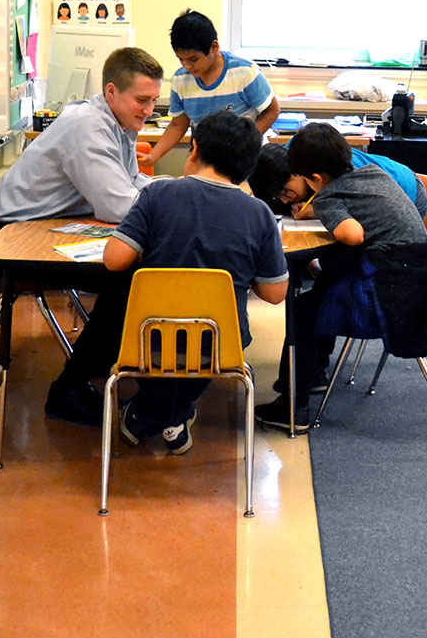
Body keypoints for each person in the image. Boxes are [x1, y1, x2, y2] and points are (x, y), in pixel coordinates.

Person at [46, 111, 289, 452]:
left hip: (149, 338)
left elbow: (115, 260)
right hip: (219, 344)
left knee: (161, 343)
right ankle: (168, 414)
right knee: (199, 347)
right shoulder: (259, 213)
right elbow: (275, 293)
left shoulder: (158, 194)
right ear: (249, 167)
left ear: (194, 151)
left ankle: (149, 415)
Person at [253, 123, 427, 430]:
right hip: (421, 286)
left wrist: (328, 221)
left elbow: (354, 235)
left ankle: (293, 407)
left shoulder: (327, 198)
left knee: (302, 312)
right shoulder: (373, 173)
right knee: (323, 286)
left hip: (389, 300)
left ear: (315, 179)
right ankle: (315, 372)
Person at [0, 47, 163, 234]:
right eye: (142, 100)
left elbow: (131, 180)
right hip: (14, 231)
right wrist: (172, 208)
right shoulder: (90, 127)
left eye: (154, 101)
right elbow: (118, 208)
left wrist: (173, 192)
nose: (149, 111)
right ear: (111, 92)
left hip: (42, 223)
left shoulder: (119, 122)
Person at [140, 9, 279, 169]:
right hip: (207, 160)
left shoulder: (244, 72)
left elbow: (272, 111)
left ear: (214, 47)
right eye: (181, 60)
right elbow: (178, 124)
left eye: (194, 59)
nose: (188, 66)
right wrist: (153, 156)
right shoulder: (180, 80)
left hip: (245, 159)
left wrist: (245, 143)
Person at [249, 143, 427, 220]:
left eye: (285, 191)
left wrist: (319, 211)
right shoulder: (289, 157)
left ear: (296, 172)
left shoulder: (339, 172)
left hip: (409, 193)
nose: (285, 200)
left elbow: (361, 212)